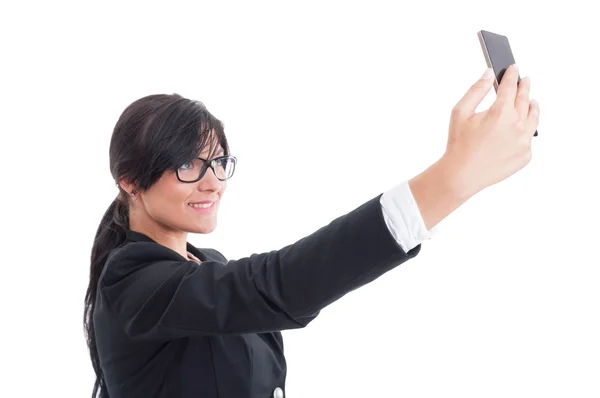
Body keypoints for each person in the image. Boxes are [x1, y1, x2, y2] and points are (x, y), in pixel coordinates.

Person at [84, 64, 539, 398]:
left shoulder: (209, 266)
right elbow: (280, 285)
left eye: (218, 162)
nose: (213, 182)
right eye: (187, 164)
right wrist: (449, 180)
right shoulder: (131, 281)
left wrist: (455, 188)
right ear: (128, 179)